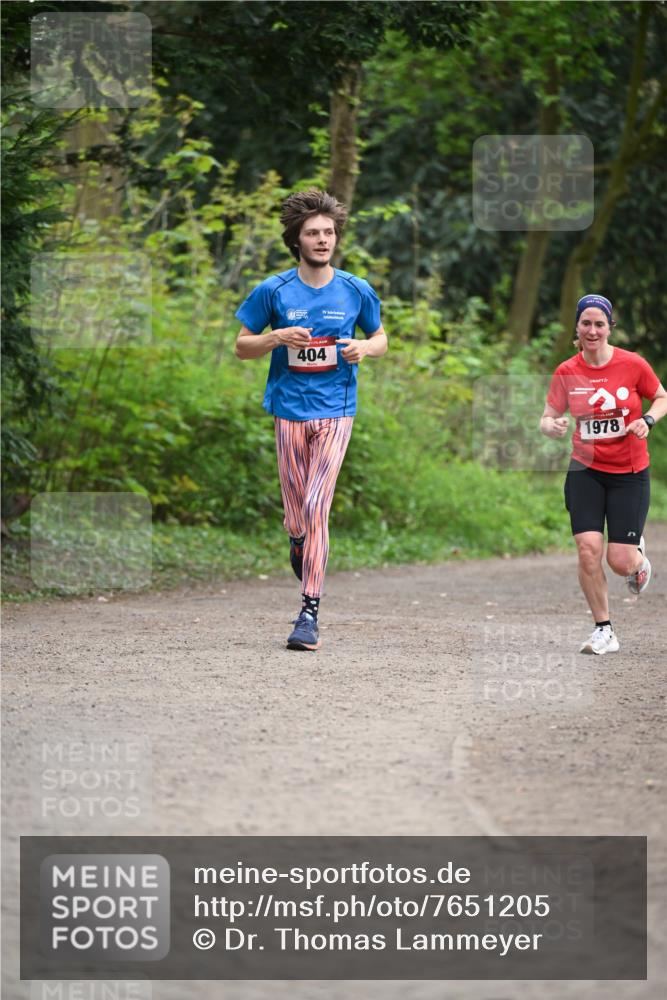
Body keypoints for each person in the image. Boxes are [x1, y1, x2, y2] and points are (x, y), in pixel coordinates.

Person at [234, 189, 388, 651]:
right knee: (298, 515)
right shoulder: (274, 290)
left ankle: (309, 612)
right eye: (313, 233)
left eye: (328, 232)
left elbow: (380, 337)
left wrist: (365, 348)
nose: (323, 240)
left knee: (318, 505)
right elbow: (242, 345)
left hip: (337, 409)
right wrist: (276, 337)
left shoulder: (356, 289)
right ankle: (299, 541)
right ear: (296, 240)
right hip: (288, 410)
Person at [540, 294, 667, 655]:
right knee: (587, 549)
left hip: (629, 472)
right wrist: (551, 425)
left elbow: (662, 397)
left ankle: (637, 558)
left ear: (609, 327)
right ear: (577, 328)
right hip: (585, 471)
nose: (592, 330)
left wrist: (647, 420)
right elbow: (547, 415)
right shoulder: (567, 371)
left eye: (599, 324)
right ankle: (604, 630)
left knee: (619, 560)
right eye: (586, 323)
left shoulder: (633, 364)